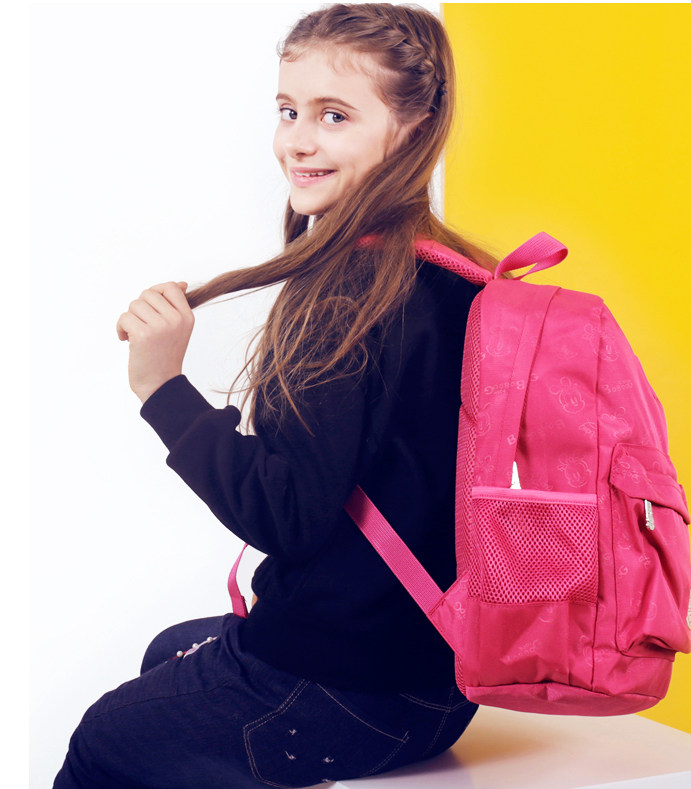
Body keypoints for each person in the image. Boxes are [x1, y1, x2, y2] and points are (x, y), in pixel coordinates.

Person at [54, 4, 499, 787]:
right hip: (442, 682)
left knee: (102, 739)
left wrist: (161, 387)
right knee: (166, 650)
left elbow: (286, 515)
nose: (297, 140)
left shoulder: (348, 295)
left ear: (412, 128)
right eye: (289, 110)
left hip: (347, 691)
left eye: (334, 115)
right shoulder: (460, 273)